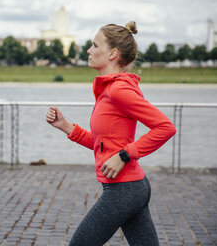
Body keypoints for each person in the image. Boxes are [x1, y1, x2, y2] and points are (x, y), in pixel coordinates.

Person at [45, 21, 176, 246]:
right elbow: (103, 144)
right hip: (132, 187)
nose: (89, 50)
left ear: (113, 54)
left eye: (95, 45)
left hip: (124, 190)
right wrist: (66, 127)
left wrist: (125, 155)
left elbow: (165, 127)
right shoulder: (109, 90)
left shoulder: (119, 91)